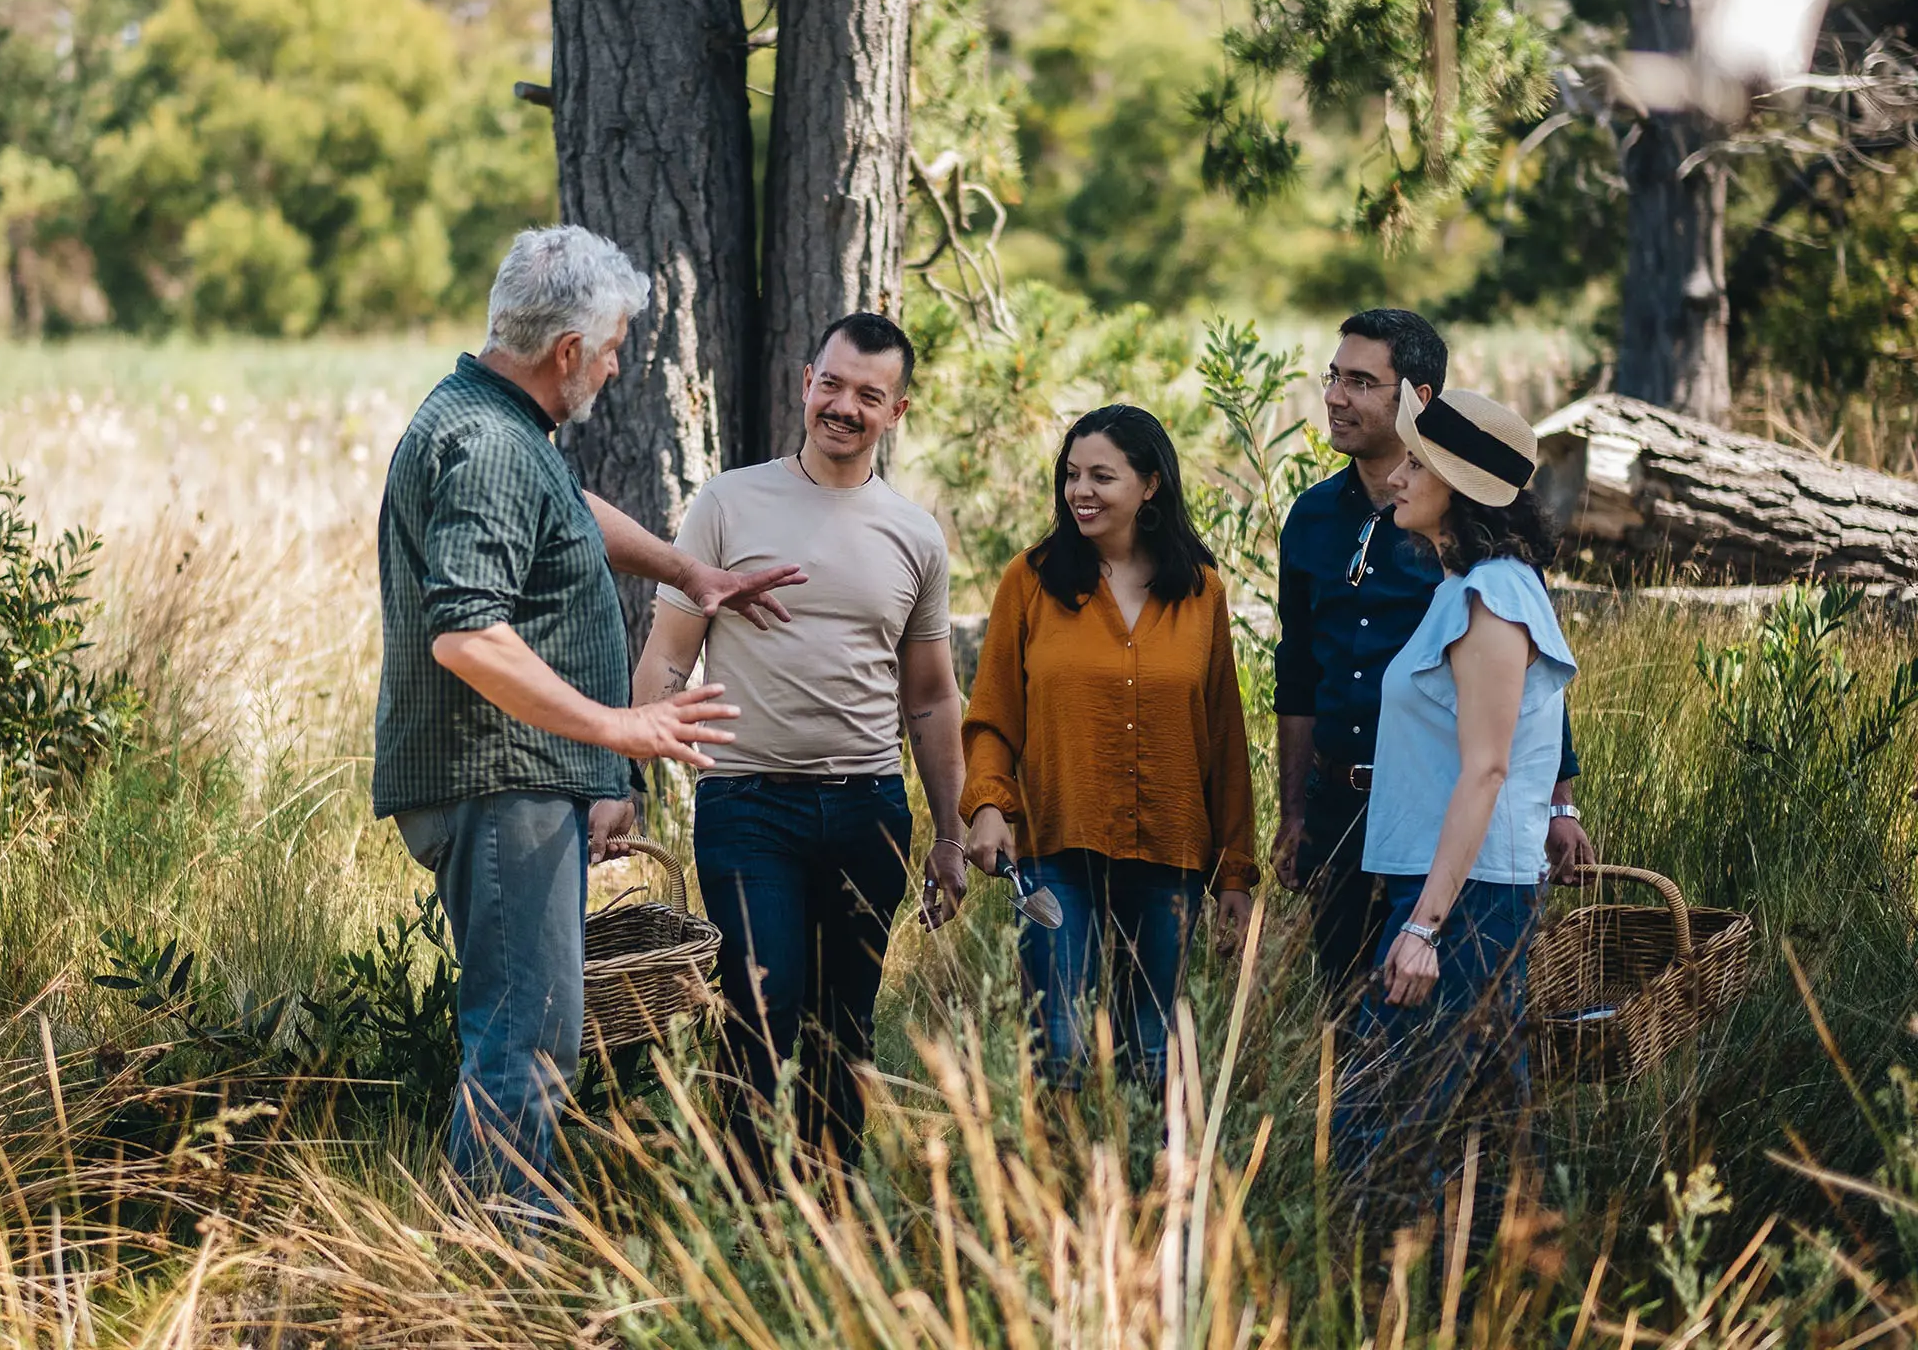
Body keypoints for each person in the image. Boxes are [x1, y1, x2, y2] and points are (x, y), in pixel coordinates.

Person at [374, 226, 802, 1208]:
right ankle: (498, 1267)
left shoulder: (504, 427)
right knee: (526, 1033)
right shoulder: (485, 446)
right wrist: (619, 733)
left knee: (530, 1026)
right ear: (567, 351)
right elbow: (466, 636)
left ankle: (495, 1238)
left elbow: (565, 506)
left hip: (523, 782)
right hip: (499, 783)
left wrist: (687, 569)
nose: (616, 364)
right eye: (611, 347)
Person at [630, 311, 970, 1181]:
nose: (844, 406)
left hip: (869, 810)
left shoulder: (914, 535)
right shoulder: (727, 502)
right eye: (832, 383)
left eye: (869, 395)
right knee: (759, 1009)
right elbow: (667, 656)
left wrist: (951, 833)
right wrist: (622, 774)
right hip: (749, 807)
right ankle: (750, 1217)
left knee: (844, 1025)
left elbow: (930, 698)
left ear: (896, 412)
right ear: (804, 381)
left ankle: (832, 1217)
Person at [1271, 310, 1593, 1003]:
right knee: (1351, 1017)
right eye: (1334, 377)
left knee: (1413, 1045)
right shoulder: (1311, 518)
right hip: (1343, 813)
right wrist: (1293, 812)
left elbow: (1521, 695)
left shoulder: (1484, 565)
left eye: (1360, 381)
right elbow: (1296, 672)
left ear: (1416, 398)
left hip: (1446, 824)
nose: (1335, 396)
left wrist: (1559, 805)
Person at [1332, 382, 1578, 1230]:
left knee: (1387, 1124)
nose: (1395, 478)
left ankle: (1403, 1294)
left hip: (1467, 903)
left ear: (1460, 490)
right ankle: (1493, 1292)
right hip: (1452, 892)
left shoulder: (1493, 600)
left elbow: (1487, 770)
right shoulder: (1468, 589)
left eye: (1415, 464)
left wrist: (1425, 926)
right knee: (1480, 1123)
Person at [962, 405, 1259, 1087]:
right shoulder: (1030, 580)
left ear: (1150, 485)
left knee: (1152, 1057)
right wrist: (987, 806)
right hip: (1055, 848)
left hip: (1169, 854)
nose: (1080, 492)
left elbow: (1222, 737)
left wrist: (1234, 873)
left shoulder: (1201, 591)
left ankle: (1149, 1189)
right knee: (1059, 1050)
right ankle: (1054, 1189)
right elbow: (992, 715)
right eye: (1071, 475)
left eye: (1102, 475)